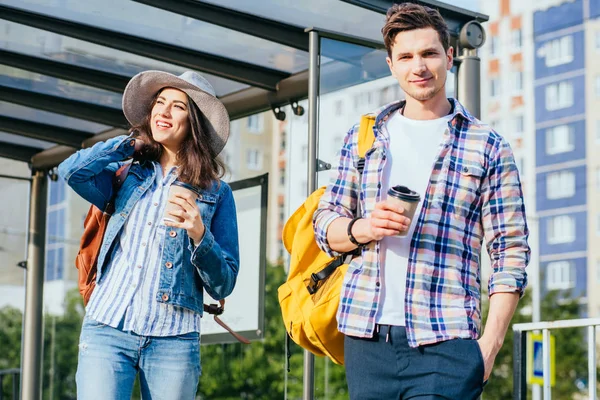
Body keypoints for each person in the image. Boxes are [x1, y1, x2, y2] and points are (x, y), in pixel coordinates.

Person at [313, 4, 530, 399]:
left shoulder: (488, 146)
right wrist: (364, 228)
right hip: (367, 340)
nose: (419, 66)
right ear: (391, 65)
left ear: (449, 56)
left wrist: (490, 345)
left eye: (429, 53)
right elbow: (325, 223)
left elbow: (510, 250)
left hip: (448, 341)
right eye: (406, 57)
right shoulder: (363, 138)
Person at [58, 70, 239, 400]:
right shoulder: (127, 174)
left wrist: (200, 235)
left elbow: (224, 283)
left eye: (177, 106)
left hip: (173, 339)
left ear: (193, 122)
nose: (164, 112)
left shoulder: (217, 194)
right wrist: (129, 144)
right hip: (108, 328)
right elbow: (72, 171)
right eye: (159, 103)